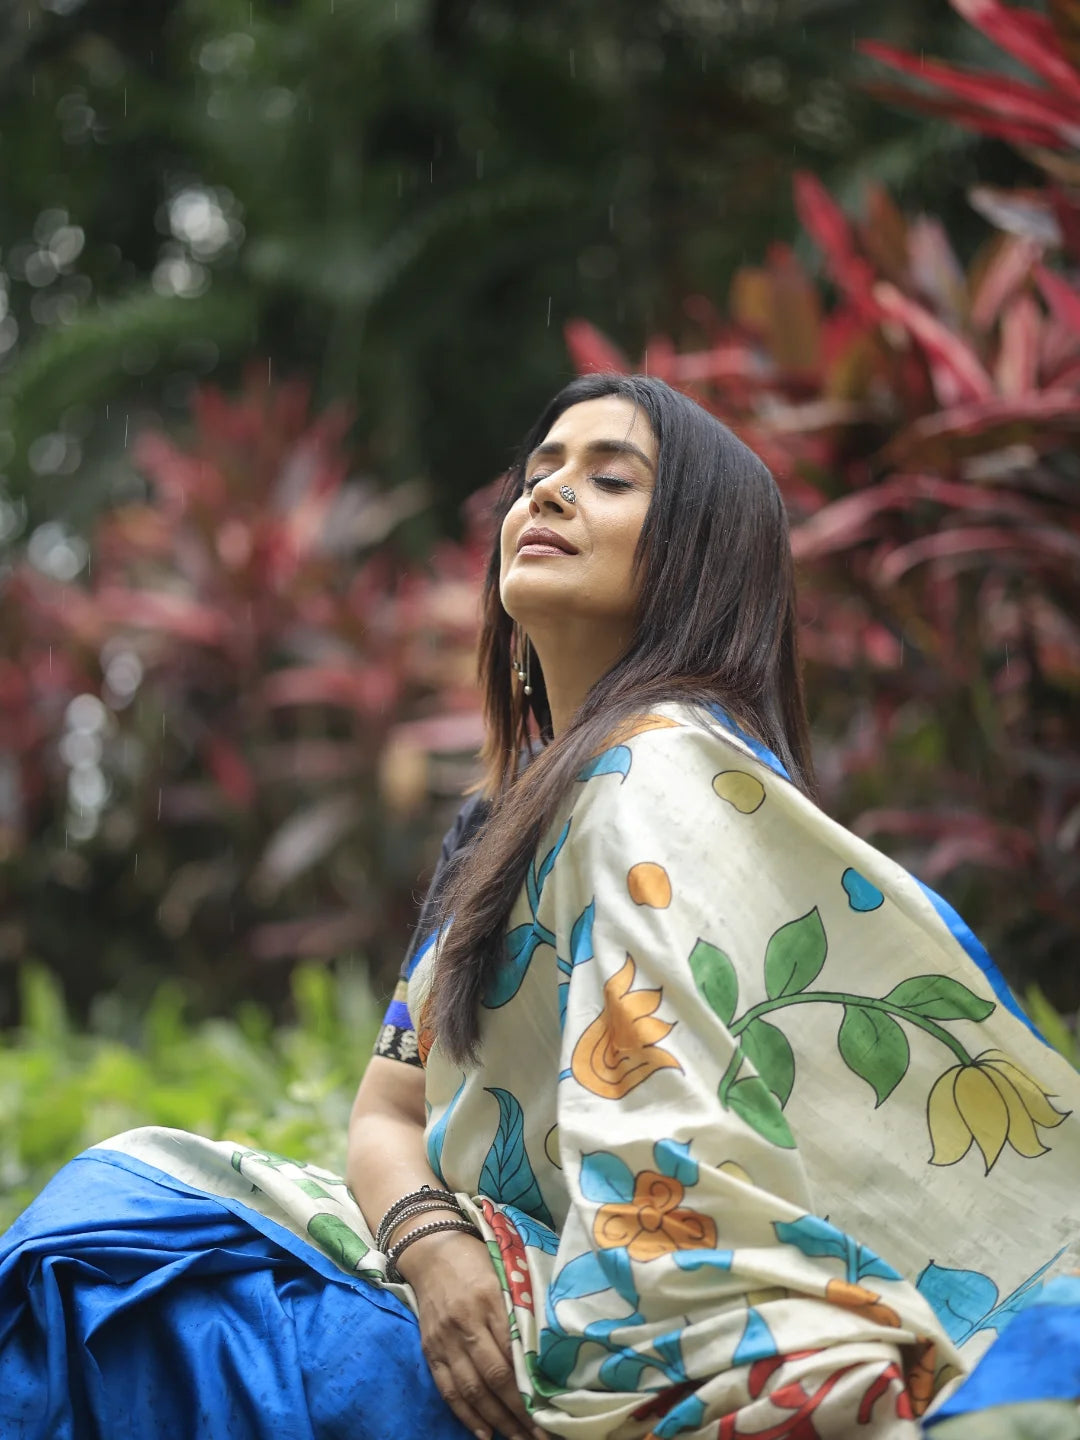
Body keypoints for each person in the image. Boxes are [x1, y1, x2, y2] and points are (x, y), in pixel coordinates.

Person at [1, 374, 1078, 1440]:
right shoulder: (501, 827)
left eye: (610, 479)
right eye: (540, 474)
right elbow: (387, 1109)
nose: (549, 495)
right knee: (106, 1220)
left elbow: (701, 1154)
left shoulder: (692, 796)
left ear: (702, 558)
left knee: (111, 1290)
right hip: (474, 1287)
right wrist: (436, 1251)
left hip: (640, 1323)